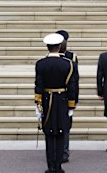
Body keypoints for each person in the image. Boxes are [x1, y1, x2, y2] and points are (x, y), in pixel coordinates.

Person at [35, 33, 78, 173]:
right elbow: (72, 87)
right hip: (62, 101)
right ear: (60, 47)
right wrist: (71, 105)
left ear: (48, 47)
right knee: (60, 133)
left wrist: (38, 103)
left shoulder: (41, 64)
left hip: (47, 101)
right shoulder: (68, 64)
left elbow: (39, 85)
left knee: (49, 134)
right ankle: (58, 166)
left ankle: (51, 166)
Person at [56, 29, 78, 163]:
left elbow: (75, 81)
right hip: (63, 97)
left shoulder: (72, 57)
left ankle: (62, 152)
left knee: (64, 126)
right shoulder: (71, 58)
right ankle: (62, 152)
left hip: (59, 97)